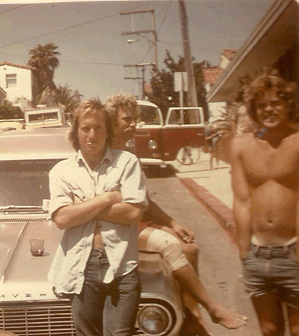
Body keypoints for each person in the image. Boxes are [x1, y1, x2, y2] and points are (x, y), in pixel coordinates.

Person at [106, 93, 248, 336]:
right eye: (127, 119)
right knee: (175, 247)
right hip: (122, 226)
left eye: (135, 119)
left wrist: (173, 222)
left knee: (190, 247)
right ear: (111, 123)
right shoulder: (107, 156)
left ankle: (192, 315)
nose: (134, 124)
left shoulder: (130, 154)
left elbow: (146, 202)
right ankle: (209, 310)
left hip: (140, 221)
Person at [48, 98, 148, 336]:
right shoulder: (61, 171)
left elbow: (134, 212)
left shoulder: (127, 162)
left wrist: (81, 208)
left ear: (107, 132)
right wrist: (107, 198)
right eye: (85, 128)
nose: (91, 135)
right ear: (75, 132)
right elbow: (62, 219)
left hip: (122, 264)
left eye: (98, 128)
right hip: (82, 266)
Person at [230, 73, 299, 336]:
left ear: (288, 104)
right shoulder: (240, 146)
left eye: (276, 102)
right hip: (258, 255)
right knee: (270, 331)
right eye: (262, 105)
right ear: (254, 111)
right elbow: (242, 200)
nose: (269, 109)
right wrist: (244, 251)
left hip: (292, 252)